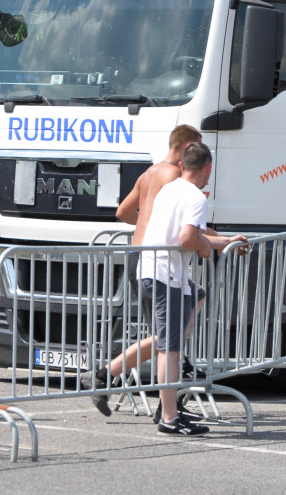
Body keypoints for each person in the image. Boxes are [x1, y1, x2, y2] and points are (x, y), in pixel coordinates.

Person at [87, 125, 204, 417]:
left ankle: (168, 390)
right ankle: (104, 375)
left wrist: (146, 223)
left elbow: (123, 212)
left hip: (138, 256)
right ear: (186, 147)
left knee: (185, 312)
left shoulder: (149, 172)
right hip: (157, 261)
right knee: (167, 338)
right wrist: (214, 238)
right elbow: (183, 225)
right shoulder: (176, 177)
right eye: (194, 149)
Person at [141, 142, 245, 436]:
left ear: (183, 164)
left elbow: (188, 237)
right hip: (167, 275)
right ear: (207, 168)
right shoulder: (196, 198)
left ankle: (169, 408)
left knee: (172, 338)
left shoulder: (169, 189)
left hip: (150, 271)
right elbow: (188, 239)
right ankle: (168, 417)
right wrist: (217, 243)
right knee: (169, 349)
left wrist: (219, 241)